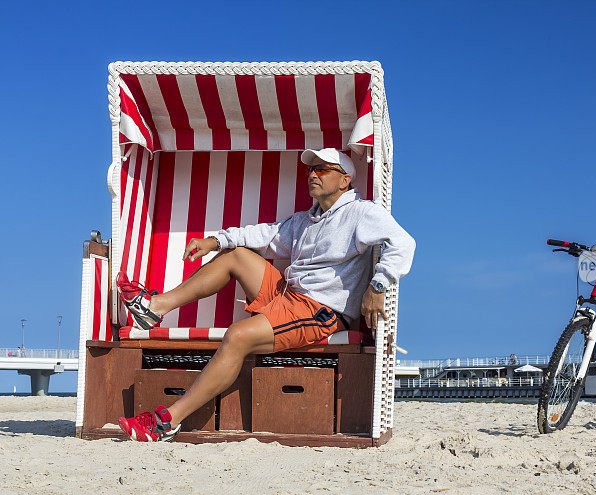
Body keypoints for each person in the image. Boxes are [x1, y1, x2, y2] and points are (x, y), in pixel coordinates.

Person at [116, 148, 415, 442]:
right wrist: (214, 240)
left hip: (320, 310)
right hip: (288, 294)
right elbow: (263, 234)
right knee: (236, 254)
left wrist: (378, 286)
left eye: (322, 169)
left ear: (345, 180)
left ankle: (168, 421)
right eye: (311, 169)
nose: (313, 174)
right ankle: (155, 307)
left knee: (237, 336)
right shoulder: (304, 220)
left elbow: (403, 242)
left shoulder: (361, 213)